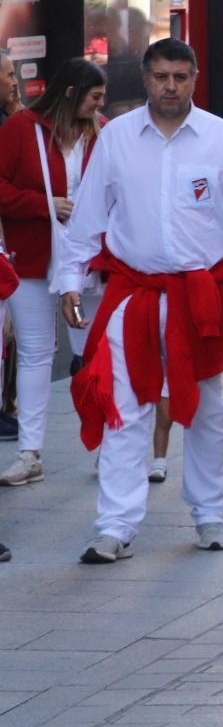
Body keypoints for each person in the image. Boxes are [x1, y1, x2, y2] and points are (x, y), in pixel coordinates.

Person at [54, 39, 223, 563]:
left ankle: (210, 513)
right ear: (145, 80)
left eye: (179, 76)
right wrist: (68, 279)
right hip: (134, 293)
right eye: (159, 77)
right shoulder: (117, 140)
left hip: (201, 294)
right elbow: (87, 219)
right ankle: (114, 524)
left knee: (205, 408)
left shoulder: (220, 139)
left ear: (194, 78)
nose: (169, 86)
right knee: (124, 409)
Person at [0, 60, 106, 488]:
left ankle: (109, 447)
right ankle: (29, 453)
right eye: (94, 96)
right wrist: (45, 204)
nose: (100, 105)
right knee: (35, 354)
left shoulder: (103, 133)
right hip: (33, 259)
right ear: (69, 93)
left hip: (87, 264)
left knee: (95, 354)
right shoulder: (21, 129)